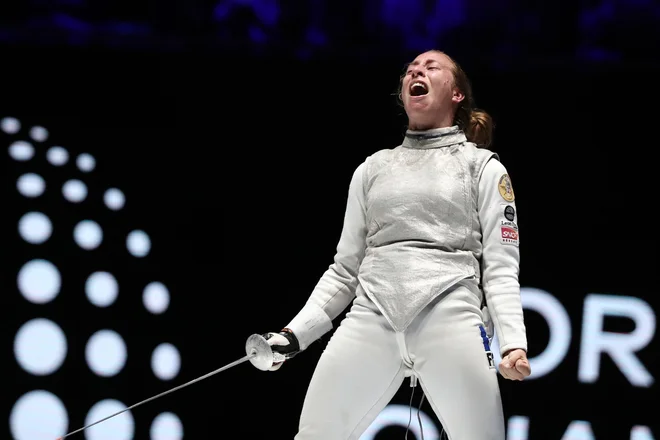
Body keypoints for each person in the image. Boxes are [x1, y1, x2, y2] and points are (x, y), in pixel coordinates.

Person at [260, 50, 531, 440]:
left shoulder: (484, 168)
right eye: (410, 70)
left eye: (430, 67)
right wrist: (295, 335)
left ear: (456, 94)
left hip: (452, 319)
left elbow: (502, 267)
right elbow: (345, 270)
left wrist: (513, 344)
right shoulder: (372, 169)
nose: (416, 71)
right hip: (371, 316)